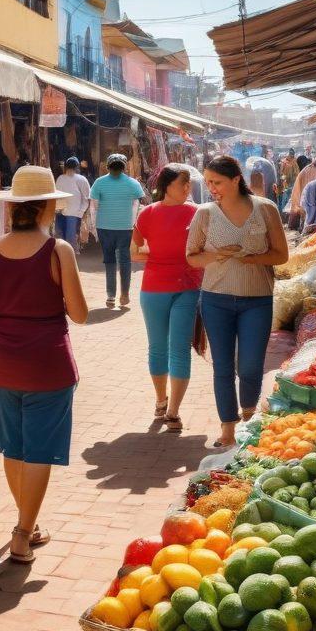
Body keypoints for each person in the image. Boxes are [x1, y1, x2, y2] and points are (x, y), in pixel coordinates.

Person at [0, 167, 88, 564]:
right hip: (47, 362)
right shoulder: (58, 251)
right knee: (38, 450)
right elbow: (80, 314)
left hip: (1, 362)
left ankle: (28, 523)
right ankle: (22, 533)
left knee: (13, 445)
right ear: (47, 209)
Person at [187, 156, 289, 448]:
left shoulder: (265, 209)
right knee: (223, 367)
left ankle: (249, 415)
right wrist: (217, 255)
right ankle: (228, 429)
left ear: (235, 180)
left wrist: (251, 258)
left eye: (217, 182)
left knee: (251, 365)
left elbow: (281, 255)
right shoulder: (204, 213)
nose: (212, 187)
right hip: (215, 299)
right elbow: (191, 256)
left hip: (257, 299)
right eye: (208, 182)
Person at [131, 165, 202, 432]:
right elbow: (134, 251)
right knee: (158, 348)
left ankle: (173, 411)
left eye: (189, 184)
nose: (188, 188)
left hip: (187, 287)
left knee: (179, 349)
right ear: (167, 184)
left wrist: (162, 258)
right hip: (155, 289)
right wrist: (166, 259)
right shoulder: (147, 213)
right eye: (183, 183)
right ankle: (161, 401)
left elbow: (138, 253)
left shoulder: (197, 213)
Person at [90, 153, 145, 309]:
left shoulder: (99, 183)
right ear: (124, 166)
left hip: (104, 227)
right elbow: (136, 206)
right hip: (125, 227)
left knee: (109, 261)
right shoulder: (133, 183)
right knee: (124, 260)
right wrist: (132, 223)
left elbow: (94, 206)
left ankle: (110, 297)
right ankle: (124, 294)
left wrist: (95, 226)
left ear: (107, 166)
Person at [55, 156, 91, 253]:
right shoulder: (63, 178)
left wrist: (81, 211)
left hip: (72, 212)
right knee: (65, 236)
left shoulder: (62, 178)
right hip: (63, 211)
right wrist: (82, 211)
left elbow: (86, 198)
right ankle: (65, 255)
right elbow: (86, 197)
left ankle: (70, 256)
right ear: (77, 167)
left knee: (65, 236)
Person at [288, 155, 316, 229]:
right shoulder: (313, 170)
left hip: (305, 206)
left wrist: (295, 209)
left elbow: (296, 194)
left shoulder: (303, 171)